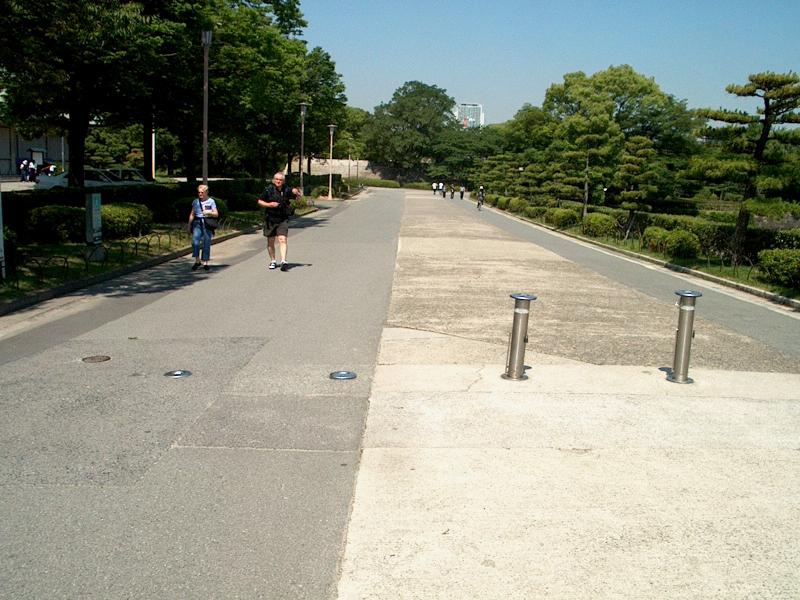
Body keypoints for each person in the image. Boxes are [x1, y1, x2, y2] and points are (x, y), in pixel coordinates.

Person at [257, 172, 300, 271]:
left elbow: (295, 195)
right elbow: (259, 201)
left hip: (282, 219)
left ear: (283, 181)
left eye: (280, 180)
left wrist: (296, 192)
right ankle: (273, 260)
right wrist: (269, 205)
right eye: (276, 179)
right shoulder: (268, 190)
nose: (278, 181)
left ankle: (284, 261)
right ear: (273, 180)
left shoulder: (286, 189)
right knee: (270, 242)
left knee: (282, 239)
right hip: (270, 219)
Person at [187, 184, 219, 271]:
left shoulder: (211, 201)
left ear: (206, 192)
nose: (200, 194)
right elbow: (192, 213)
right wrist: (189, 224)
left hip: (207, 222)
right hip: (197, 223)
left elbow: (216, 214)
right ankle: (197, 260)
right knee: (195, 242)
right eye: (199, 192)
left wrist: (209, 212)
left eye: (202, 192)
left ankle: (205, 262)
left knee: (206, 242)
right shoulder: (196, 201)